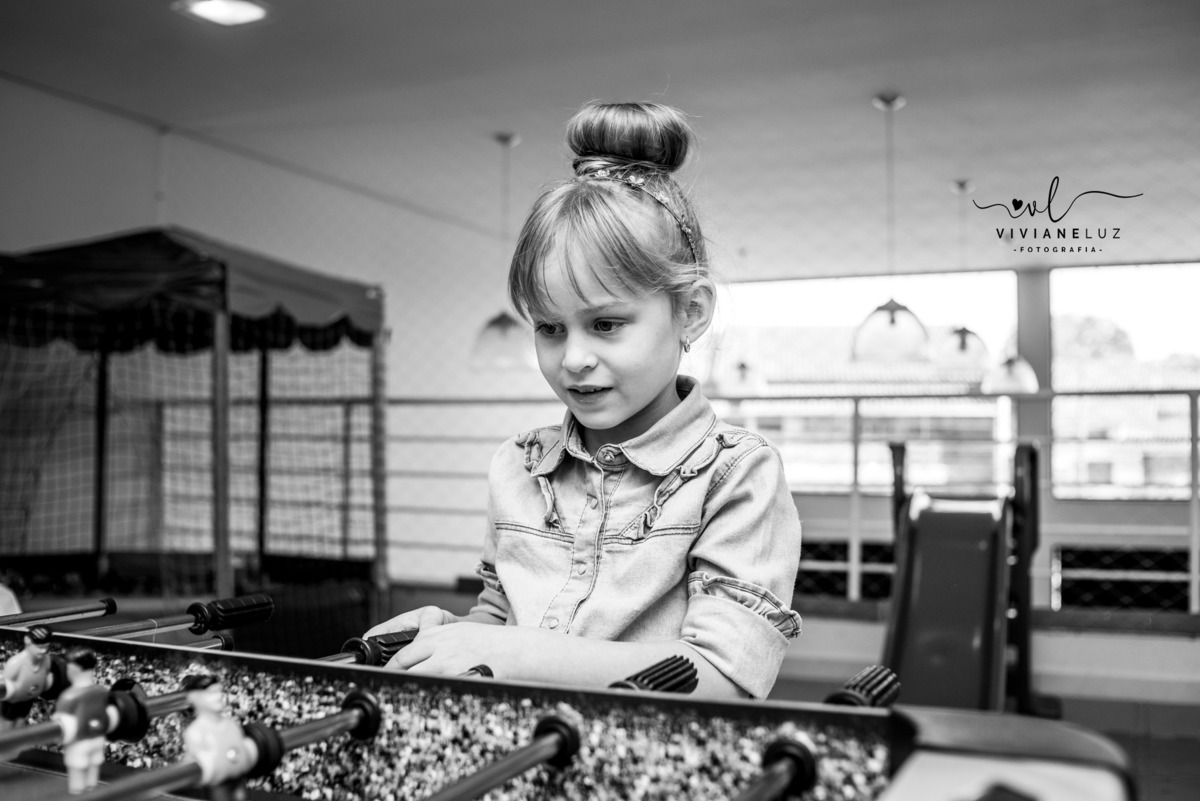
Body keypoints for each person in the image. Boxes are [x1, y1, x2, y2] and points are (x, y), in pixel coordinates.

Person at [367, 100, 802, 699]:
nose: (572, 358)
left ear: (691, 312)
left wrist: (510, 652)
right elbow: (501, 621)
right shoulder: (518, 466)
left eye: (605, 324)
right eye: (549, 327)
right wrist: (452, 635)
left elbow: (723, 677)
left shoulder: (737, 475)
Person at [182, 675, 256, 801]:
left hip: (238, 780)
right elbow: (196, 768)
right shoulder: (195, 732)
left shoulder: (231, 725)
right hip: (219, 784)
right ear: (196, 698)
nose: (218, 697)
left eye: (218, 691)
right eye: (211, 693)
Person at [52, 647, 109, 794]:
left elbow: (60, 726)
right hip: (97, 739)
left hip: (79, 742)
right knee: (92, 779)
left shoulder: (68, 696)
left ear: (74, 669)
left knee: (77, 783)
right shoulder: (102, 691)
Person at [1, 625, 55, 731]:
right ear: (27, 641)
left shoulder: (46, 660)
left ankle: (17, 738)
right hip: (12, 702)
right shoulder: (16, 663)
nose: (43, 651)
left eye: (46, 647)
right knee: (7, 725)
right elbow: (4, 688)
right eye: (39, 647)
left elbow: (45, 679)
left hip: (28, 699)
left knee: (20, 721)